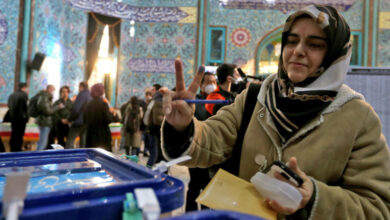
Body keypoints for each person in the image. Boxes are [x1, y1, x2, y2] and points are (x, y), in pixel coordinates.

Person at [160, 5, 390, 219]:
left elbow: (377, 207)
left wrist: (314, 198)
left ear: (334, 54)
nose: (298, 51)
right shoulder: (255, 97)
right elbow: (212, 139)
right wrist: (182, 126)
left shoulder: (358, 117)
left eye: (314, 44)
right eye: (291, 41)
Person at [186, 71, 216, 212]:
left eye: (214, 82)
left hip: (211, 151)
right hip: (196, 149)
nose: (212, 85)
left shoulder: (216, 100)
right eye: (209, 82)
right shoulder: (197, 102)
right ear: (202, 85)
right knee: (195, 185)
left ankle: (205, 214)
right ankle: (190, 214)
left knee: (207, 185)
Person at [84, 83, 118, 151]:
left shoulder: (88, 104)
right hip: (102, 136)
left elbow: (84, 119)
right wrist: (113, 115)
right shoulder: (103, 104)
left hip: (90, 135)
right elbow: (108, 120)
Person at [35, 85, 63, 150]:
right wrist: (58, 107)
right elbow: (48, 111)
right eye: (52, 90)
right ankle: (39, 155)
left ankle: (39, 154)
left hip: (44, 121)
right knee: (43, 141)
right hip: (44, 122)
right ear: (49, 89)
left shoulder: (46, 97)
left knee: (43, 140)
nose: (53, 92)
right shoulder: (44, 97)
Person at [65, 82, 91, 149]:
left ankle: (68, 156)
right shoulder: (90, 95)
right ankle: (82, 157)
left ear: (81, 87)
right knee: (83, 142)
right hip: (87, 122)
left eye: (79, 87)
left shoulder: (81, 94)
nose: (78, 89)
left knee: (70, 140)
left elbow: (76, 109)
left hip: (79, 121)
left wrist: (69, 119)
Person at [143, 84, 164, 167]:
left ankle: (148, 171)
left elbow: (158, 120)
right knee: (153, 152)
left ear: (156, 90)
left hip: (154, 130)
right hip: (151, 129)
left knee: (154, 153)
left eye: (152, 89)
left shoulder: (158, 101)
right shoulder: (154, 100)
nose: (151, 91)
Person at [7, 83, 29, 152]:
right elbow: (26, 108)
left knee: (14, 134)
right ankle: (18, 150)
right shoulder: (24, 95)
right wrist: (27, 118)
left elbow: (9, 106)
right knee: (19, 135)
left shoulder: (12, 95)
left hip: (13, 118)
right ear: (24, 87)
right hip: (21, 119)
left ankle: (12, 149)